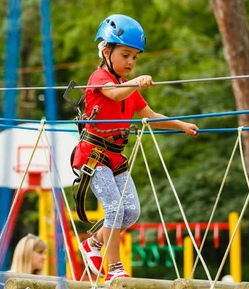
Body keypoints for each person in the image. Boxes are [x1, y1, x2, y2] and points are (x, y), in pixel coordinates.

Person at [73, 15, 198, 281]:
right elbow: (114, 94)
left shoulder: (129, 88)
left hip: (115, 157)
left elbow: (150, 115)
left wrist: (181, 125)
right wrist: (136, 81)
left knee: (130, 211)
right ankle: (114, 269)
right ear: (107, 52)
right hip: (94, 156)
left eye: (135, 58)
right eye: (125, 55)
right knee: (113, 209)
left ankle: (94, 243)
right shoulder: (100, 78)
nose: (130, 62)